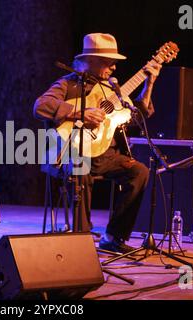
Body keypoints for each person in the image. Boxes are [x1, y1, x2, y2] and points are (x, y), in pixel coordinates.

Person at [34, 33, 162, 253]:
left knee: (139, 172)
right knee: (80, 168)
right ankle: (81, 240)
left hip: (106, 155)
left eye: (114, 62)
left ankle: (114, 236)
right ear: (89, 60)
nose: (113, 67)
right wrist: (79, 112)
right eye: (107, 61)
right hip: (70, 152)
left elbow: (137, 119)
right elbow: (40, 106)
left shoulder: (114, 89)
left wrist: (149, 85)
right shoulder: (68, 84)